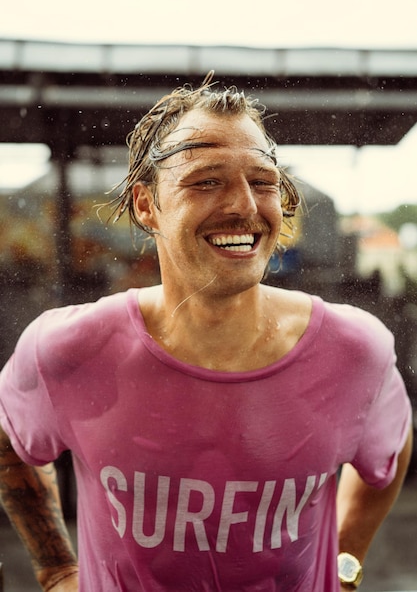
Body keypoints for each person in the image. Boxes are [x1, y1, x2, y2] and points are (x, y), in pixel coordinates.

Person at [0, 73, 412, 592]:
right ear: (147, 204)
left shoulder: (355, 351)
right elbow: (12, 439)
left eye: (263, 181)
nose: (244, 205)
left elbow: (391, 451)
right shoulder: (69, 348)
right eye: (206, 180)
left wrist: (346, 561)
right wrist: (57, 569)